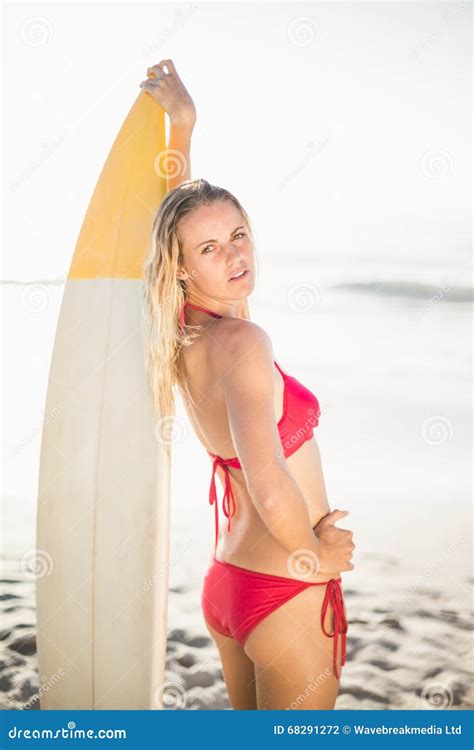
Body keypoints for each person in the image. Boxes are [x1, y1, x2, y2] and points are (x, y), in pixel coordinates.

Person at [141, 60, 355, 711]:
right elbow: (268, 481)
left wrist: (181, 129)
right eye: (210, 250)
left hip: (229, 582)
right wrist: (316, 554)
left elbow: (173, 223)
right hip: (283, 584)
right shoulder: (244, 345)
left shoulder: (181, 331)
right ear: (182, 269)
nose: (234, 256)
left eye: (238, 236)